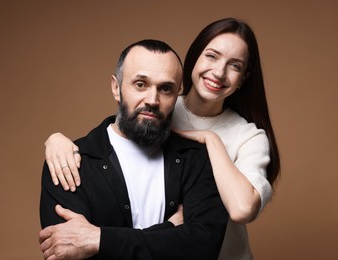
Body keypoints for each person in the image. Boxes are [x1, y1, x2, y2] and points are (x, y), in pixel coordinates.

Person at [44, 18, 281, 259]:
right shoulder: (158, 108)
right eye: (211, 56)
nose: (219, 72)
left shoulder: (241, 140)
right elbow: (124, 122)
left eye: (235, 66)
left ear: (243, 78)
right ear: (195, 58)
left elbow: (225, 222)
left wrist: (212, 140)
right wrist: (56, 140)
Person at [39, 39, 228, 260]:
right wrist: (168, 229)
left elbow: (203, 248)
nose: (152, 100)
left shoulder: (196, 159)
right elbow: (64, 253)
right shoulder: (69, 162)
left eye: (166, 89)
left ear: (178, 93)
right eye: (140, 84)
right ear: (116, 88)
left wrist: (99, 239)